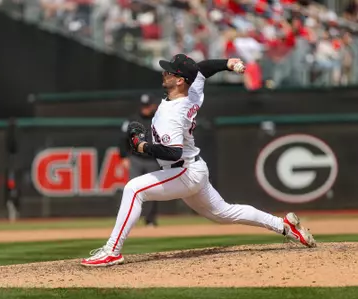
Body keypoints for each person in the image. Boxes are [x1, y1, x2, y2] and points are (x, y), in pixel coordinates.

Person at [81, 54, 316, 267]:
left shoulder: (172, 114)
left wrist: (141, 146)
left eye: (170, 72)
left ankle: (112, 251)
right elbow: (201, 69)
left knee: (134, 189)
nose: (165, 72)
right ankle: (284, 226)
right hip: (193, 168)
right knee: (224, 213)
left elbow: (172, 152)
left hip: (183, 170)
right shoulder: (191, 92)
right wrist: (228, 64)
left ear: (180, 80)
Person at [119, 94, 161, 227]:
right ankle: (130, 220)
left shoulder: (158, 119)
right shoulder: (132, 120)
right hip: (136, 159)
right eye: (144, 106)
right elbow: (122, 138)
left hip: (153, 160)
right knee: (132, 189)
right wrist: (123, 156)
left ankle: (150, 220)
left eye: (148, 106)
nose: (146, 109)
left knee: (153, 191)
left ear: (153, 106)